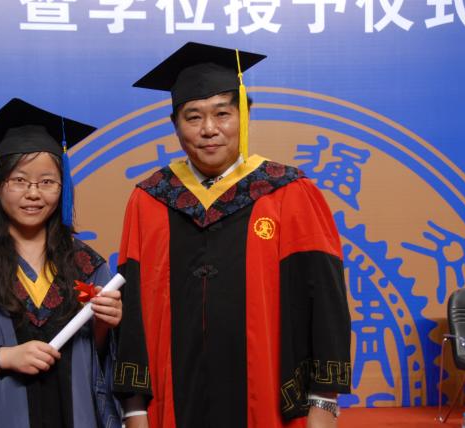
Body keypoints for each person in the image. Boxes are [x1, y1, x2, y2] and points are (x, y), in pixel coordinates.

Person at [113, 42, 351, 428]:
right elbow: (133, 313)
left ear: (244, 116)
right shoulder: (150, 199)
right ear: (175, 125)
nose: (209, 129)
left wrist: (324, 400)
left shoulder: (289, 192)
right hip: (174, 403)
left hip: (269, 402)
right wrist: (134, 408)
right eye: (193, 117)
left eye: (222, 113)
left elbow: (325, 303)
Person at [0, 98, 122, 428]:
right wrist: (2, 357)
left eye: (47, 182)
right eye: (19, 180)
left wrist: (105, 325)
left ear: (63, 188)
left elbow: (99, 361)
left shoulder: (88, 266)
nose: (33, 193)